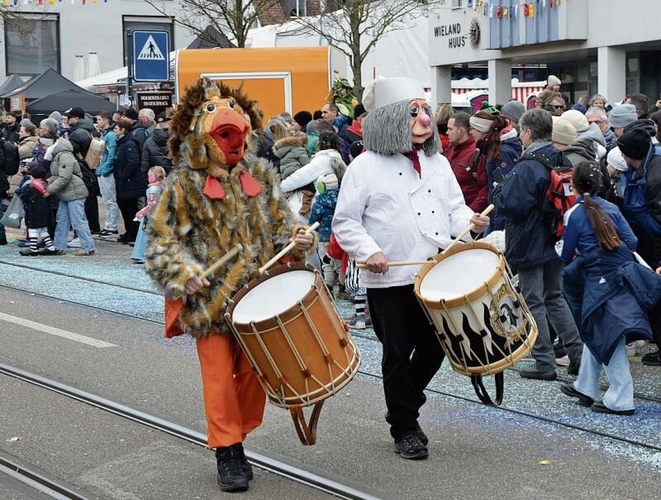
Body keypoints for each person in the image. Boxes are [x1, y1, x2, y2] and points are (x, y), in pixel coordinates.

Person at [144, 77, 314, 493]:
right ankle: (229, 452)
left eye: (237, 134)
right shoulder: (183, 185)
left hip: (259, 296)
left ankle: (235, 435)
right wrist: (184, 273)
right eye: (223, 134)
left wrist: (299, 237)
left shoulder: (260, 174)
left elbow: (282, 224)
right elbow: (162, 242)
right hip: (211, 302)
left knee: (257, 376)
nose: (233, 143)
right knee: (219, 380)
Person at [332, 76, 490, 460]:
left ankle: (404, 405)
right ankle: (404, 425)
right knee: (397, 353)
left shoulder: (438, 162)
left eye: (424, 111)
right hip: (389, 278)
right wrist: (369, 251)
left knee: (438, 346)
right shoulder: (364, 167)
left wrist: (470, 221)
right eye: (413, 112)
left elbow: (453, 207)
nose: (423, 119)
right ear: (388, 119)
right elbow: (346, 222)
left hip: (434, 271)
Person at [558, 161, 661, 415]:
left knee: (609, 336)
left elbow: (566, 253)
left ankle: (621, 399)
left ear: (574, 185)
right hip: (620, 276)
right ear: (601, 184)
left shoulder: (575, 213)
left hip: (596, 280)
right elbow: (633, 241)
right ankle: (585, 386)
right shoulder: (612, 208)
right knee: (601, 330)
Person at [492, 108, 583, 380]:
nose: (520, 136)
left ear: (528, 133)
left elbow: (511, 205)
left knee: (534, 300)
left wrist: (498, 189)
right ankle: (577, 354)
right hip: (556, 237)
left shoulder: (528, 165)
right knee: (555, 296)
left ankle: (544, 361)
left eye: (521, 131)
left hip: (530, 240)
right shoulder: (561, 158)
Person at [616, 127, 661, 366]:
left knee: (655, 296)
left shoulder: (652, 177)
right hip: (649, 240)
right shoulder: (649, 165)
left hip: (654, 244)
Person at [44, 129, 96, 256]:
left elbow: (64, 177)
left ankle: (88, 246)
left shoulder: (64, 155)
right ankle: (59, 246)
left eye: (44, 145)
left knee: (78, 220)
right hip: (68, 193)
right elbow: (59, 175)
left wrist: (49, 189)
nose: (43, 147)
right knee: (62, 219)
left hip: (74, 192)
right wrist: (45, 182)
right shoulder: (60, 155)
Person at [280, 131, 347, 223]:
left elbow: (300, 177)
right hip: (327, 204)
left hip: (314, 204)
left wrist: (281, 186)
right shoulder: (339, 159)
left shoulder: (322, 160)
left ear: (320, 143)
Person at [113, 118, 146, 244]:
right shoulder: (121, 143)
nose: (114, 130)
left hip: (129, 182)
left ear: (123, 130)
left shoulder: (129, 143)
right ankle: (129, 231)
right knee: (124, 208)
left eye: (116, 128)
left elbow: (133, 162)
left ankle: (133, 233)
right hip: (123, 182)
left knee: (130, 209)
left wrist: (123, 175)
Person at [16, 166, 57, 256]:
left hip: (34, 212)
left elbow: (24, 196)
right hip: (45, 212)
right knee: (43, 230)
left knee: (33, 230)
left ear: (33, 176)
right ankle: (51, 248)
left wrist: (18, 192)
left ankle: (33, 249)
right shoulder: (46, 185)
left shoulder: (32, 186)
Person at [131, 166, 166, 264]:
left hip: (150, 216)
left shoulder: (153, 189)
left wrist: (141, 213)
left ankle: (141, 254)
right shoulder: (164, 187)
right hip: (160, 215)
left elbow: (151, 205)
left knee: (145, 235)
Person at [94, 111, 120, 241]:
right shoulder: (104, 134)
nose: (98, 122)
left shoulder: (109, 136)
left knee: (110, 200)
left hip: (106, 171)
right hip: (102, 170)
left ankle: (112, 227)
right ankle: (108, 226)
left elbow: (111, 155)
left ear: (106, 120)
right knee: (107, 200)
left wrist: (105, 169)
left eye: (99, 120)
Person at [141, 109, 173, 177]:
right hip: (178, 184)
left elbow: (145, 168)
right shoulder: (181, 139)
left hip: (158, 182)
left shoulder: (148, 142)